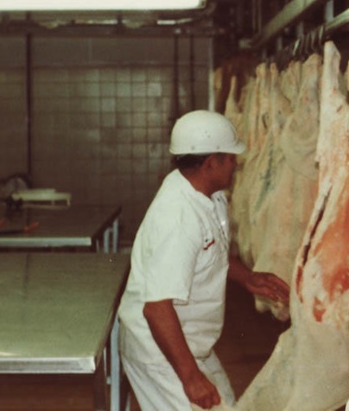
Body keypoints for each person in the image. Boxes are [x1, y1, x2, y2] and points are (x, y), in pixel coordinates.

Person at [117, 109, 290, 411]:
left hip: (191, 341)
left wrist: (248, 278)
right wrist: (191, 377)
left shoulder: (208, 194)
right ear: (211, 163)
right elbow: (157, 309)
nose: (235, 164)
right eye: (230, 157)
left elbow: (211, 251)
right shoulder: (178, 217)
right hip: (159, 350)